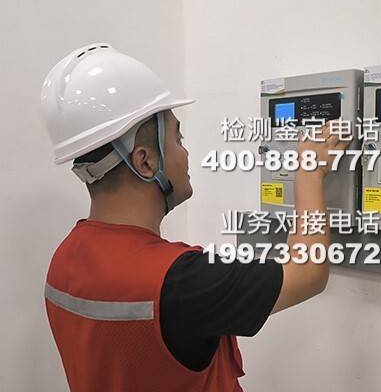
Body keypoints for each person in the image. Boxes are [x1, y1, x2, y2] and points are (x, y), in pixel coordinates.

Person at [41, 43, 348, 391]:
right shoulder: (180, 282)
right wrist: (310, 172)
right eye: (178, 138)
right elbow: (308, 273)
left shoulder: (63, 260)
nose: (185, 152)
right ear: (145, 161)